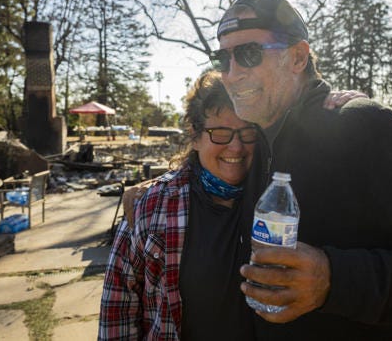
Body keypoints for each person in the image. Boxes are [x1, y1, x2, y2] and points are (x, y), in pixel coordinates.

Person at [211, 0, 392, 340]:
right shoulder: (254, 142)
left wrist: (333, 280)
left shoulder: (366, 126)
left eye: (248, 54)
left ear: (297, 57)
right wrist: (147, 192)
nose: (232, 73)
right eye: (222, 58)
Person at [98, 71, 363, 340]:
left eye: (247, 133)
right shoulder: (154, 207)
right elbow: (118, 308)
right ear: (195, 135)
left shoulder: (275, 198)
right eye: (220, 133)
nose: (236, 147)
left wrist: (345, 109)